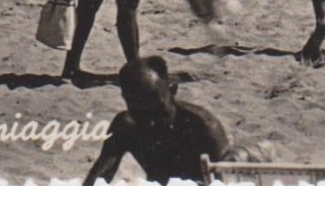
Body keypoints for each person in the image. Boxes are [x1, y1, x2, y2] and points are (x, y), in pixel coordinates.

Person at [83, 57, 232, 185]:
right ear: (125, 99)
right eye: (139, 111)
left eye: (158, 108)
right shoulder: (126, 126)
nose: (150, 120)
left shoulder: (202, 127)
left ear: (172, 90)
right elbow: (97, 183)